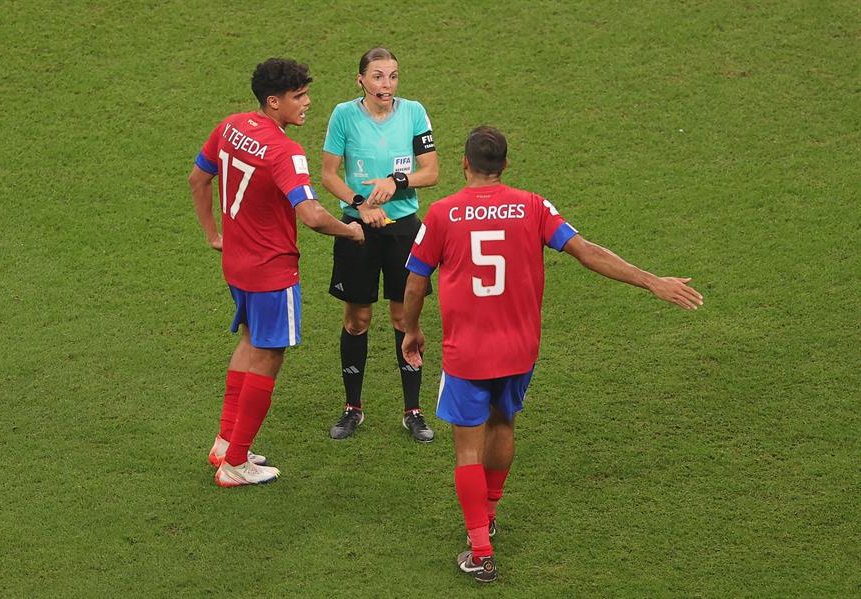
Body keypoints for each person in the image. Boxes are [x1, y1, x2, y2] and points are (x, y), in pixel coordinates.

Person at [401, 126, 704, 582]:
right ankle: (490, 514)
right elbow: (586, 251)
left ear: (464, 164)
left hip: (468, 352)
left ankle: (481, 550)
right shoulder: (533, 206)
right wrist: (651, 280)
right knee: (503, 423)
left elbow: (415, 282)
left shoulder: (442, 213)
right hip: (519, 349)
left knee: (467, 449)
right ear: (505, 165)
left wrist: (412, 330)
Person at [188, 58, 364, 487]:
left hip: (237, 264)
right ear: (273, 102)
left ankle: (224, 443)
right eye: (298, 96)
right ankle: (236, 463)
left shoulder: (231, 126)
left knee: (249, 341)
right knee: (269, 356)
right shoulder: (285, 151)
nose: (307, 103)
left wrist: (213, 235)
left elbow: (197, 178)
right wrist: (351, 231)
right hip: (271, 272)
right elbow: (312, 215)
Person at [321, 47, 439, 442]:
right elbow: (329, 175)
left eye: (392, 76)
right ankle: (352, 408)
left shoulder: (414, 112)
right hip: (357, 230)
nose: (386, 84)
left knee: (405, 319)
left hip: (403, 229)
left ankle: (413, 411)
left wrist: (396, 181)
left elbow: (431, 172)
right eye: (377, 76)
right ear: (361, 80)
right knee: (357, 319)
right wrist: (360, 204)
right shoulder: (343, 115)